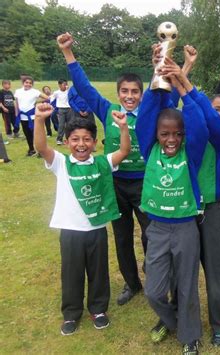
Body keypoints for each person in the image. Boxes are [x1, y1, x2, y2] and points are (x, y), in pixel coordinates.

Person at [57, 32, 150, 306]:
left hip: (146, 183)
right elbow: (84, 88)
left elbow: (164, 94)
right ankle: (132, 284)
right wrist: (68, 53)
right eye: (125, 91)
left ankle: (153, 272)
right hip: (115, 184)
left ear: (142, 95)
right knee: (122, 237)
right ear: (118, 93)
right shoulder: (107, 110)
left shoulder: (149, 112)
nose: (129, 96)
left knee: (152, 234)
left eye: (135, 92)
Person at [33, 102, 131, 336]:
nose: (81, 144)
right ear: (67, 142)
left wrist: (124, 129)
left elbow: (124, 151)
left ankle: (98, 310)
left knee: (99, 271)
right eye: (75, 139)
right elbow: (41, 147)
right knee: (72, 273)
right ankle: (71, 313)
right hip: (70, 230)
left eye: (87, 139)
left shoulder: (102, 162)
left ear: (95, 143)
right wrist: (38, 120)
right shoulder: (61, 163)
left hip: (96, 228)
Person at [136, 56, 208, 355]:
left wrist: (182, 87)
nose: (171, 139)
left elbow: (199, 126)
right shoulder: (148, 147)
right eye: (165, 133)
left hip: (185, 227)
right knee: (154, 290)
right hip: (157, 228)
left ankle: (190, 336)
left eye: (177, 134)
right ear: (155, 134)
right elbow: (147, 114)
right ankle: (171, 319)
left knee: (187, 284)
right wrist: (158, 75)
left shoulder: (190, 152)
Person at [172, 45, 220, 347]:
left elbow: (211, 121)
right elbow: (179, 103)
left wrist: (187, 78)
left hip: (213, 212)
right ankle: (185, 326)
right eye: (216, 109)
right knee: (183, 273)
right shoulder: (190, 131)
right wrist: (184, 69)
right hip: (184, 212)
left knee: (216, 271)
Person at [14, 76, 49, 156]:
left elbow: (47, 98)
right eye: (26, 82)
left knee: (36, 134)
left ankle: (40, 151)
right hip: (23, 117)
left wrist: (36, 102)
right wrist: (17, 114)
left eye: (30, 83)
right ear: (23, 83)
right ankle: (31, 149)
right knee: (27, 134)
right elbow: (17, 103)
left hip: (33, 117)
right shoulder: (18, 91)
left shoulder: (35, 92)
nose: (28, 84)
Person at [51, 79, 73, 145]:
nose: (66, 86)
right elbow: (52, 99)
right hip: (61, 109)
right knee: (61, 125)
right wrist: (53, 107)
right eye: (64, 84)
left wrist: (69, 90)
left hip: (69, 109)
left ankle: (69, 139)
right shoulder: (56, 92)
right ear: (59, 85)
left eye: (66, 84)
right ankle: (59, 139)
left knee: (69, 124)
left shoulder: (69, 92)